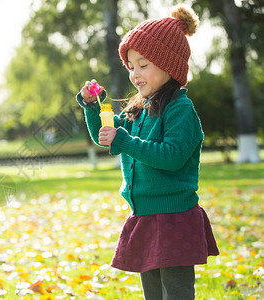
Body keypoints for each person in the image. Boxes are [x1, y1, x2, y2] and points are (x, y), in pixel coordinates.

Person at [76, 4, 219, 300]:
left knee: (176, 294)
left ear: (169, 65)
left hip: (174, 217)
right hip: (144, 216)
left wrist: (125, 141)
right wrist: (95, 106)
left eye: (144, 64)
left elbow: (172, 155)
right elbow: (107, 137)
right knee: (153, 293)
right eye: (131, 66)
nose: (135, 74)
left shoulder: (181, 109)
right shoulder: (138, 111)